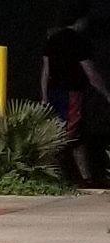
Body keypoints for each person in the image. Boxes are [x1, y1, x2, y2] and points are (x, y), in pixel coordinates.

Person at [40, 12, 110, 188]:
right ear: (79, 21)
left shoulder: (52, 40)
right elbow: (91, 73)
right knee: (68, 134)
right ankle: (53, 174)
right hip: (71, 93)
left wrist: (44, 95)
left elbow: (45, 71)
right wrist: (106, 93)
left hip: (54, 92)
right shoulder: (78, 41)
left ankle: (85, 177)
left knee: (73, 134)